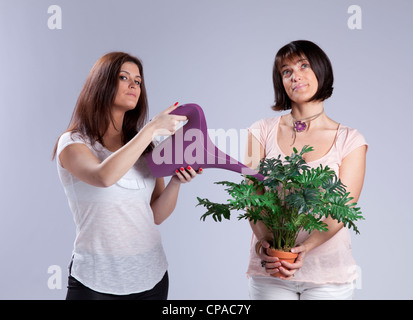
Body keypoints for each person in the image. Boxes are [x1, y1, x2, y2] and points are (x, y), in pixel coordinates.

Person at [52, 52, 202, 300]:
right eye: (124, 77)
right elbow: (104, 177)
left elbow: (155, 215)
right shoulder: (73, 143)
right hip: (95, 282)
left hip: (152, 278)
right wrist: (152, 128)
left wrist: (176, 181)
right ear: (102, 83)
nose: (134, 85)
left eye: (139, 81)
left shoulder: (145, 147)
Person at [244, 40, 367, 300]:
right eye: (286, 71)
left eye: (303, 65)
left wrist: (304, 248)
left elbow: (341, 208)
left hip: (328, 275)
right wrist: (268, 247)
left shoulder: (350, 140)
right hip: (271, 271)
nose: (295, 75)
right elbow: (252, 197)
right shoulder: (261, 130)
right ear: (281, 82)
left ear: (321, 71)